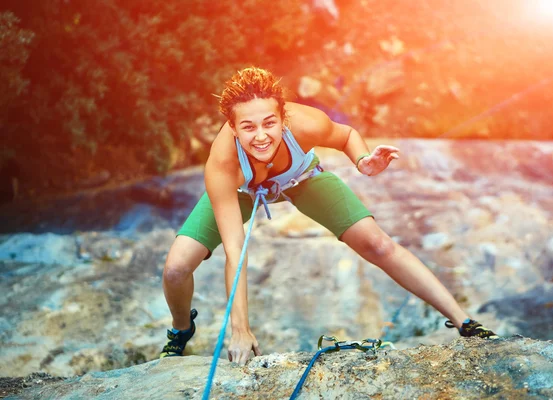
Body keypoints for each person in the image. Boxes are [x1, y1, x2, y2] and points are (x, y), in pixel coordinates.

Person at [159, 67, 498, 362]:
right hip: (242, 190)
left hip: (301, 178)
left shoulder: (307, 123)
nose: (261, 135)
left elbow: (346, 134)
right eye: (248, 127)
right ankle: (181, 329)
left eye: (269, 123)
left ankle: (466, 322)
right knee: (176, 268)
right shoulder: (221, 164)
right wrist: (240, 330)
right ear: (233, 128)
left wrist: (364, 161)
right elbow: (236, 252)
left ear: (283, 118)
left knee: (378, 245)